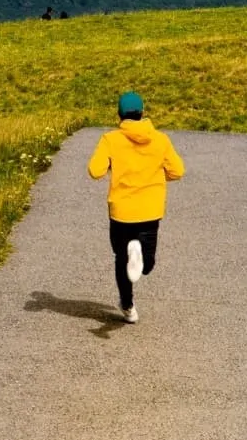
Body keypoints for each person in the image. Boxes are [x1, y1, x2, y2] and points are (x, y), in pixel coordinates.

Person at [87, 92, 185, 324]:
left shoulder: (110, 139)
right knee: (146, 265)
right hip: (150, 210)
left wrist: (111, 164)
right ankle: (138, 254)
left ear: (120, 114)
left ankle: (128, 306)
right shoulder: (160, 140)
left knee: (121, 259)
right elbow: (177, 171)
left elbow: (95, 171)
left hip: (121, 212)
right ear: (142, 113)